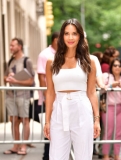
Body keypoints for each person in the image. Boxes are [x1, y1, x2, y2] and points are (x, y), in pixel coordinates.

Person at [43, 18, 101, 160]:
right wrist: (47, 121)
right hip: (59, 111)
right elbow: (50, 93)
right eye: (67, 33)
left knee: (83, 156)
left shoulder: (89, 61)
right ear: (62, 36)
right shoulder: (52, 61)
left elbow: (92, 92)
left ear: (80, 36)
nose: (70, 37)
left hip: (82, 109)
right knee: (56, 156)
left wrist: (97, 119)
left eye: (74, 33)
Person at [3, 38, 35, 155]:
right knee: (14, 121)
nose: (11, 48)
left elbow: (31, 81)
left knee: (25, 120)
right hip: (11, 95)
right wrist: (8, 78)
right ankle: (15, 146)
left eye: (13, 46)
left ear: (19, 47)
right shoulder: (10, 61)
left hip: (23, 95)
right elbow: (4, 78)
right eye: (10, 45)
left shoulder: (27, 61)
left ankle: (23, 146)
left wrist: (16, 80)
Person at [37, 31, 59, 160]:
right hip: (49, 99)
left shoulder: (63, 54)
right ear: (55, 40)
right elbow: (41, 78)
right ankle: (47, 156)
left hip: (60, 99)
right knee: (49, 130)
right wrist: (46, 98)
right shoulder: (45, 55)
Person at [101, 58, 121, 160]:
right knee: (108, 131)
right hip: (109, 107)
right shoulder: (106, 76)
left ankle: (117, 155)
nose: (117, 67)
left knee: (119, 132)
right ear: (111, 67)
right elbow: (101, 89)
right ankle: (106, 155)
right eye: (115, 65)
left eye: (119, 66)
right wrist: (112, 85)